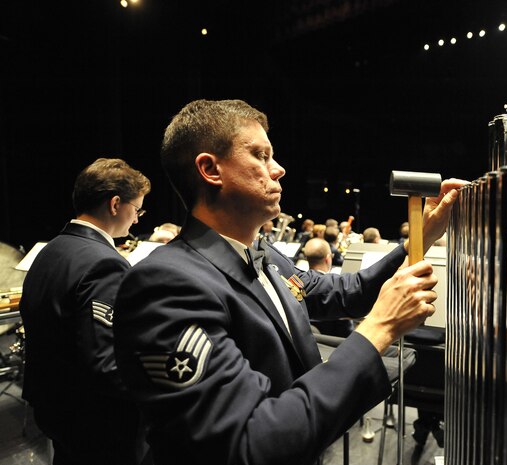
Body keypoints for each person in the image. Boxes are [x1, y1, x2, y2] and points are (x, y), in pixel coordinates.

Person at [113, 99, 464, 465]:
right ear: (210, 169)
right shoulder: (165, 284)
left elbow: (349, 292)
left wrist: (421, 237)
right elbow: (249, 444)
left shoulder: (258, 252)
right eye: (261, 156)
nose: (278, 169)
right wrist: (381, 328)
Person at [20, 158, 151, 465]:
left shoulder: (52, 249)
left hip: (53, 403)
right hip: (95, 418)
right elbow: (105, 363)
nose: (136, 221)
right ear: (116, 204)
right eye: (137, 209)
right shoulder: (103, 262)